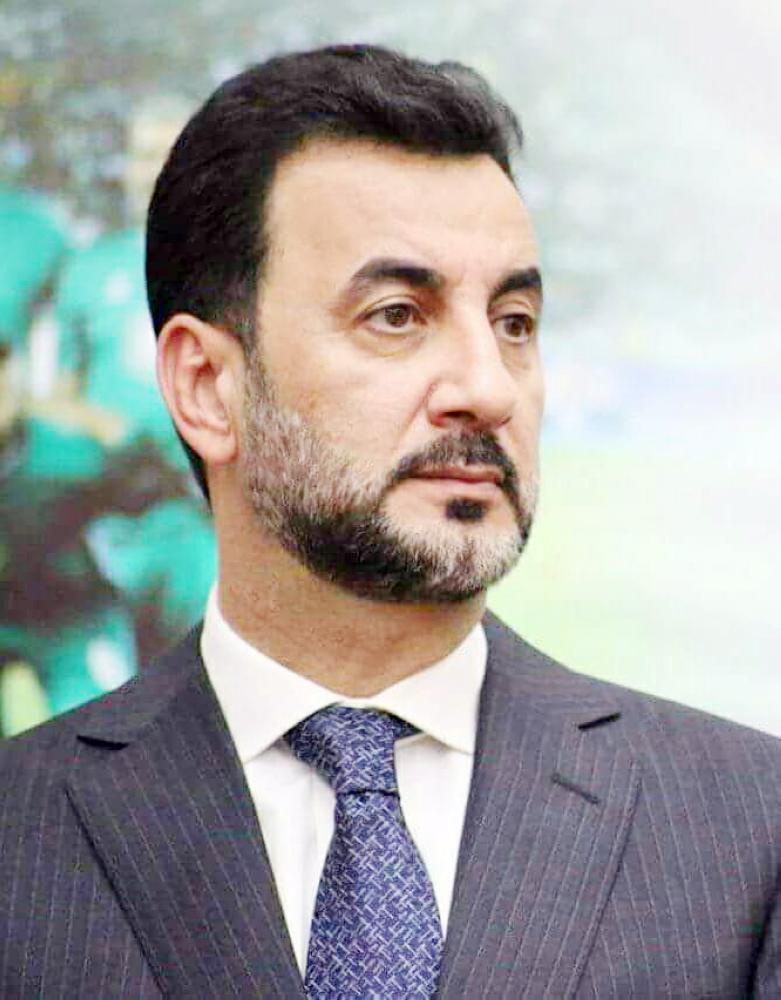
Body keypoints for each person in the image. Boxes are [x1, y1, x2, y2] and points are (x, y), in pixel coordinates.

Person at [0, 43, 779, 1000]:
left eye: (514, 322)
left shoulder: (750, 826)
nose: (488, 389)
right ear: (206, 387)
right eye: (398, 315)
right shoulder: (19, 837)